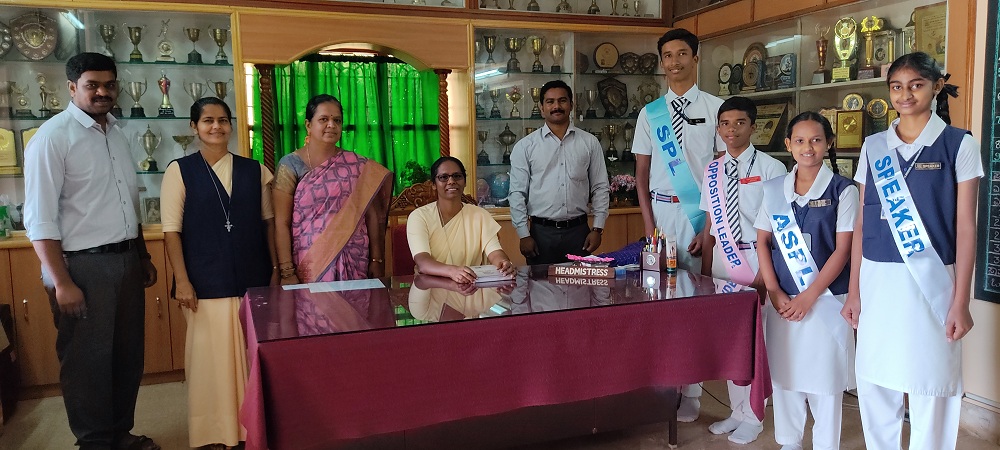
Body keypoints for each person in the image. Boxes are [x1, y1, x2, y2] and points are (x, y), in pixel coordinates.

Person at [841, 52, 980, 450]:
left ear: (937, 86)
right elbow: (862, 223)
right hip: (878, 280)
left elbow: (966, 227)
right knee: (876, 379)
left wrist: (960, 302)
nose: (905, 95)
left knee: (931, 381)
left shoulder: (958, 144)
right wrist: (854, 291)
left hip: (933, 280)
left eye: (916, 85)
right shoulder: (874, 146)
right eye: (897, 87)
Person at [23, 52, 160, 450]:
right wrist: (62, 282)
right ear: (71, 87)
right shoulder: (52, 137)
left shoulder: (115, 132)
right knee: (87, 362)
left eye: (109, 84)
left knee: (126, 356)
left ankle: (119, 433)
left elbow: (127, 200)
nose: (103, 92)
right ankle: (95, 442)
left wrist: (142, 254)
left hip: (125, 260)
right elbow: (39, 219)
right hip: (81, 268)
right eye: (92, 85)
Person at [161, 97, 277, 450]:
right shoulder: (179, 171)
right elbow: (171, 231)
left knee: (251, 357)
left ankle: (250, 431)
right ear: (194, 127)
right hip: (203, 281)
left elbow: (268, 224)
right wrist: (182, 281)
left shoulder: (255, 170)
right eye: (208, 120)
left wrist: (275, 270)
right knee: (210, 362)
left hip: (251, 278)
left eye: (223, 120)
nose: (216, 126)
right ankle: (213, 432)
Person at [630, 29, 726, 421]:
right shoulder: (650, 113)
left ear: (696, 58)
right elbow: (641, 175)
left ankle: (693, 392)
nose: (674, 62)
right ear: (662, 62)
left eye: (682, 53)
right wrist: (649, 226)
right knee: (662, 302)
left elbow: (722, 173)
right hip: (661, 216)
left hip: (702, 215)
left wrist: (709, 228)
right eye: (667, 55)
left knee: (696, 304)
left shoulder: (717, 108)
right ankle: (664, 384)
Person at [755, 112, 857, 450]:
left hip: (826, 300)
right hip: (783, 300)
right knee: (785, 375)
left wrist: (809, 296)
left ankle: (826, 444)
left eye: (816, 140)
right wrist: (774, 290)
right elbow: (762, 242)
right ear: (788, 144)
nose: (807, 147)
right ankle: (790, 441)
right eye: (799, 140)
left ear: (829, 143)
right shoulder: (774, 190)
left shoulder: (844, 190)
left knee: (825, 380)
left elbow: (843, 250)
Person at [700, 96, 786, 444]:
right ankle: (737, 412)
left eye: (739, 122)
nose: (731, 130)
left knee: (756, 340)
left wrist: (766, 275)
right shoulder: (712, 169)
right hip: (724, 260)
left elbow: (779, 227)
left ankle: (755, 415)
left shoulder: (771, 168)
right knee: (731, 342)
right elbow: (710, 224)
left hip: (756, 259)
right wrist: (706, 273)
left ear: (753, 126)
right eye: (725, 123)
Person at [273, 94, 393, 284]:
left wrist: (376, 260)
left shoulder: (357, 165)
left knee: (355, 304)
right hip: (310, 263)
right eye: (323, 119)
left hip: (354, 259)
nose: (331, 125)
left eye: (337, 120)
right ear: (308, 125)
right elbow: (281, 222)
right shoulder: (290, 165)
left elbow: (371, 215)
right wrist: (287, 271)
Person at [508, 80, 610, 265]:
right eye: (550, 102)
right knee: (540, 283)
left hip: (579, 233)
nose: (556, 106)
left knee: (581, 283)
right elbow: (517, 193)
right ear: (541, 108)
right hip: (540, 235)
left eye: (562, 100)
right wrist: (523, 234)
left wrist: (597, 228)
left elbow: (600, 187)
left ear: (571, 105)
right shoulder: (525, 146)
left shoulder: (589, 143)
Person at [406, 156, 516, 282]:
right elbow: (423, 262)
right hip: (432, 286)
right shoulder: (419, 217)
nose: (451, 181)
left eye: (457, 176)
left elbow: (495, 252)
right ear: (433, 184)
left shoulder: (480, 215)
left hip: (470, 285)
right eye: (444, 177)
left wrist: (504, 263)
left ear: (465, 181)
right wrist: (452, 271)